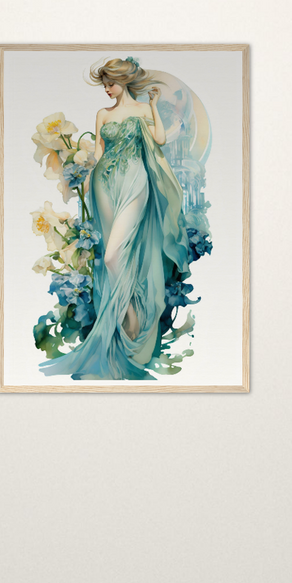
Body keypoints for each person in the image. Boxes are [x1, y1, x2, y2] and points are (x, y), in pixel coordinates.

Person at [40, 57, 191, 381]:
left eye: (110, 83)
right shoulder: (102, 115)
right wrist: (71, 155)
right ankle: (126, 321)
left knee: (111, 257)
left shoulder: (140, 110)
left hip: (135, 183)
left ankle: (132, 316)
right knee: (116, 255)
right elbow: (98, 153)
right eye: (104, 84)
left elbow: (160, 141)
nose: (107, 89)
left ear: (123, 81)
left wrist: (153, 105)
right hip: (104, 184)